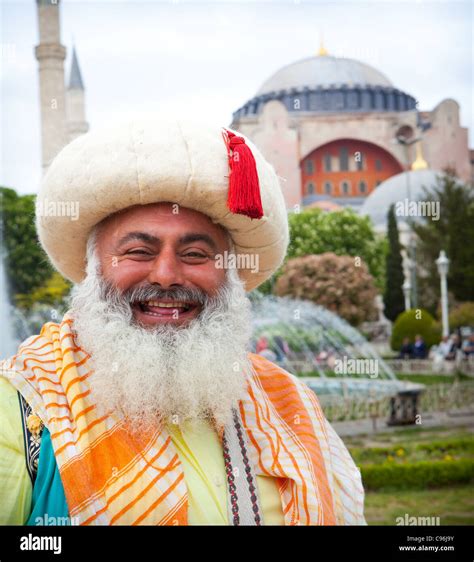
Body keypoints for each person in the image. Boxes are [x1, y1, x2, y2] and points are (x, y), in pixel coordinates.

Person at [0, 118, 365, 526]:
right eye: (139, 251)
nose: (166, 275)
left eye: (195, 254)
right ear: (93, 267)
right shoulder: (21, 405)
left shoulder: (292, 404)